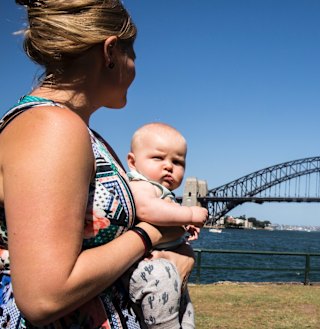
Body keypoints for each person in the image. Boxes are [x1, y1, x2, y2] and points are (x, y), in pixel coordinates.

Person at [0, 1, 202, 328]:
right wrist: (152, 233)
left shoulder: (71, 129)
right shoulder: (52, 128)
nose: (136, 66)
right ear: (110, 52)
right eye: (131, 53)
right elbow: (45, 296)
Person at [126, 122, 208, 329]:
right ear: (133, 163)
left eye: (178, 161)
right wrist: (188, 214)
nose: (169, 166)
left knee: (186, 312)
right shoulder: (140, 185)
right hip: (152, 275)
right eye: (158, 158)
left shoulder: (161, 191)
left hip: (171, 276)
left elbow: (163, 216)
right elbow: (147, 209)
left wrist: (183, 228)